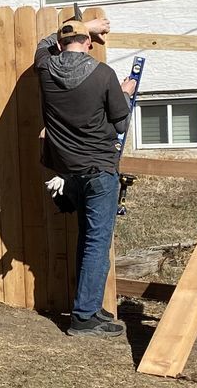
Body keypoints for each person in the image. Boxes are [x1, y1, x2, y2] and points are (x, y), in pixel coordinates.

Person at [37, 17, 135, 336]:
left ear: (61, 45)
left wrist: (85, 25)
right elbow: (120, 125)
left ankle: (89, 306)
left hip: (67, 172)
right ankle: (82, 317)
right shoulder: (103, 74)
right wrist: (124, 93)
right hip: (98, 170)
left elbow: (42, 44)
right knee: (97, 241)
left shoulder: (46, 69)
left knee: (87, 237)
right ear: (89, 44)